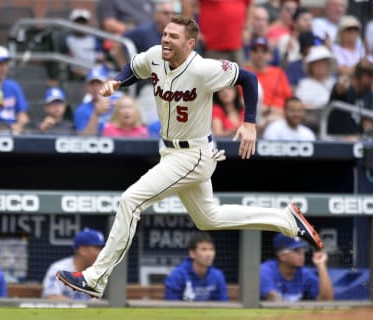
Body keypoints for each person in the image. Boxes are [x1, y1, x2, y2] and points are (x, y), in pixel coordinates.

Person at [56, 15, 323, 299]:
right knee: (209, 218)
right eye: (165, 34)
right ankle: (286, 219)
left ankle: (95, 278)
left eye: (174, 36)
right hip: (170, 150)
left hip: (192, 154)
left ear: (190, 42)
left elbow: (248, 77)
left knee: (130, 201)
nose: (166, 39)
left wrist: (250, 123)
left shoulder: (203, 69)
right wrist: (117, 82)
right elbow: (135, 67)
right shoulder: (157, 56)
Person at [260, 233, 333, 302]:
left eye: (302, 249)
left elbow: (326, 301)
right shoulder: (265, 270)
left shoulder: (303, 273)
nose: (302, 254)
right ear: (282, 256)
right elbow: (273, 298)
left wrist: (321, 265)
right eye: (296, 250)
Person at [42, 229, 105, 301]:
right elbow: (52, 298)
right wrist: (80, 307)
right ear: (82, 250)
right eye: (97, 248)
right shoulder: (59, 269)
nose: (101, 253)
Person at [164, 232, 228, 301]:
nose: (209, 254)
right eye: (204, 249)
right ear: (192, 253)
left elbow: (223, 304)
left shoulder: (218, 275)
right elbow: (171, 306)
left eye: (211, 249)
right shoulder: (177, 275)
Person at [245, 36, 292, 126]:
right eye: (255, 50)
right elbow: (242, 102)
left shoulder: (279, 72)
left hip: (282, 116)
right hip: (259, 118)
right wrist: (263, 109)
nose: (260, 54)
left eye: (264, 51)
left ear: (270, 55)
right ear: (250, 54)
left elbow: (288, 99)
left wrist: (282, 112)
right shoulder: (245, 73)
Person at [327, 60, 373, 139]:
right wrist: (348, 76)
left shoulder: (368, 94)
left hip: (357, 137)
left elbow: (366, 120)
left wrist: (370, 134)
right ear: (364, 76)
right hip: (336, 137)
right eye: (371, 77)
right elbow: (340, 88)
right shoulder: (346, 88)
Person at [199, 0, 253, 65]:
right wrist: (194, 30)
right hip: (212, 46)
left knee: (240, 73)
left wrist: (247, 28)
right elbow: (189, 3)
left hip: (237, 45)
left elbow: (250, 4)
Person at [74, 65, 119, 136]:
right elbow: (83, 139)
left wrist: (119, 107)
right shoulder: (81, 110)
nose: (95, 88)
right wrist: (96, 113)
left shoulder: (119, 101)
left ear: (107, 84)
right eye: (92, 84)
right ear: (86, 87)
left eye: (99, 83)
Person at [64, 8, 105, 80]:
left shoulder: (94, 39)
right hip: (77, 71)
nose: (81, 25)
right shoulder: (68, 40)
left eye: (83, 22)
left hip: (95, 69)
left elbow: (101, 56)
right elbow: (66, 61)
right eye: (78, 22)